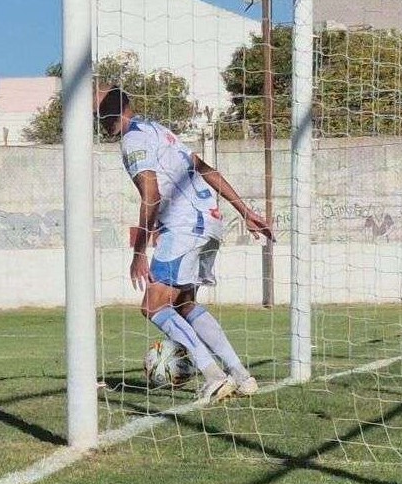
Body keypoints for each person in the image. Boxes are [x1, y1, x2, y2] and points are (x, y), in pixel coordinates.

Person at [95, 85, 274, 402]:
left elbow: (151, 193)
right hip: (210, 222)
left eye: (98, 112)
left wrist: (139, 252)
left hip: (184, 226)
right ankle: (242, 376)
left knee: (153, 305)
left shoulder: (132, 140)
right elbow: (204, 168)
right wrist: (244, 210)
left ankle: (214, 376)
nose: (98, 119)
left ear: (111, 113)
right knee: (184, 304)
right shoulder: (158, 130)